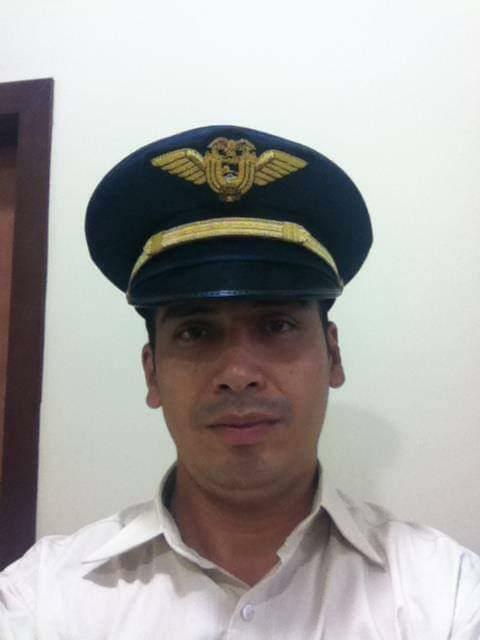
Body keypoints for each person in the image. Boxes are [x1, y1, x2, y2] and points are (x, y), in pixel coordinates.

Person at [1, 125, 479, 639]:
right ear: (151, 372)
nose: (238, 375)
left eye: (277, 325)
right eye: (195, 332)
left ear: (334, 355)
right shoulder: (45, 600)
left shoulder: (446, 594)